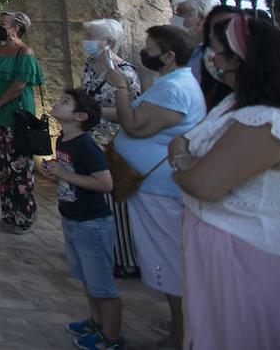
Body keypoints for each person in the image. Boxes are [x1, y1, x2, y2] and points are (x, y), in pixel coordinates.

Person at [172, 15, 280, 348]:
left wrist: (185, 163)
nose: (213, 61)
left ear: (245, 61)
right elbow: (187, 146)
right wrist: (189, 160)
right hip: (232, 260)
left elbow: (203, 182)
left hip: (255, 265)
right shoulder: (239, 107)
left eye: (219, 53)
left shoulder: (266, 121)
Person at [103, 25, 204, 348]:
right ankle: (179, 324)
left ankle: (183, 333)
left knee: (169, 259)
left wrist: (120, 87)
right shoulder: (169, 83)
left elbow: (134, 125)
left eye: (150, 47)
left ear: (170, 55)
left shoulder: (175, 89)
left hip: (159, 187)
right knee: (165, 256)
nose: (145, 52)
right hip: (152, 186)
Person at [39, 89, 121, 350]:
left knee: (103, 286)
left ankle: (112, 338)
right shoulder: (63, 140)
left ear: (80, 116)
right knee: (88, 278)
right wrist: (56, 172)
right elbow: (71, 173)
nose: (57, 102)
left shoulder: (86, 146)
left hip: (92, 223)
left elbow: (105, 183)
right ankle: (96, 323)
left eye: (65, 102)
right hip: (72, 219)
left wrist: (65, 173)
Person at [79, 19, 142, 278]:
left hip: (113, 142)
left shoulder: (125, 73)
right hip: (89, 139)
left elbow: (131, 112)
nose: (87, 42)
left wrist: (92, 112)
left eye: (92, 37)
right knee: (93, 200)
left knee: (116, 203)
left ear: (109, 42)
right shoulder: (90, 67)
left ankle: (125, 258)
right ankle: (97, 250)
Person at [0, 10, 43, 232]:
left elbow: (19, 84)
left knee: (20, 167)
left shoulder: (24, 52)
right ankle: (8, 213)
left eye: (3, 23)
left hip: (17, 117)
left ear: (15, 29)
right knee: (4, 166)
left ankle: (24, 216)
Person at [171, 0, 214, 83]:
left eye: (180, 15)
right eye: (176, 14)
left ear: (202, 18)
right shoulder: (185, 47)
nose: (174, 19)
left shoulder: (213, 50)